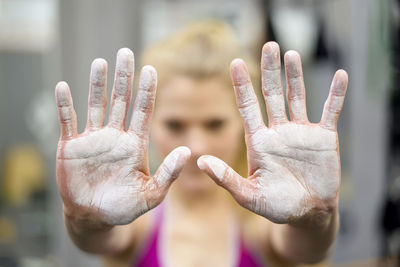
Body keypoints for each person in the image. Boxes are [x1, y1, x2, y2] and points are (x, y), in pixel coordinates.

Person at [55, 21, 348, 267]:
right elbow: (99, 240)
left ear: (244, 123)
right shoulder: (140, 224)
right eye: (174, 125)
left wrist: (315, 218)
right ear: (148, 123)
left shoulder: (262, 223)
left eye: (215, 124)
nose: (195, 145)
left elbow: (306, 248)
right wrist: (84, 218)